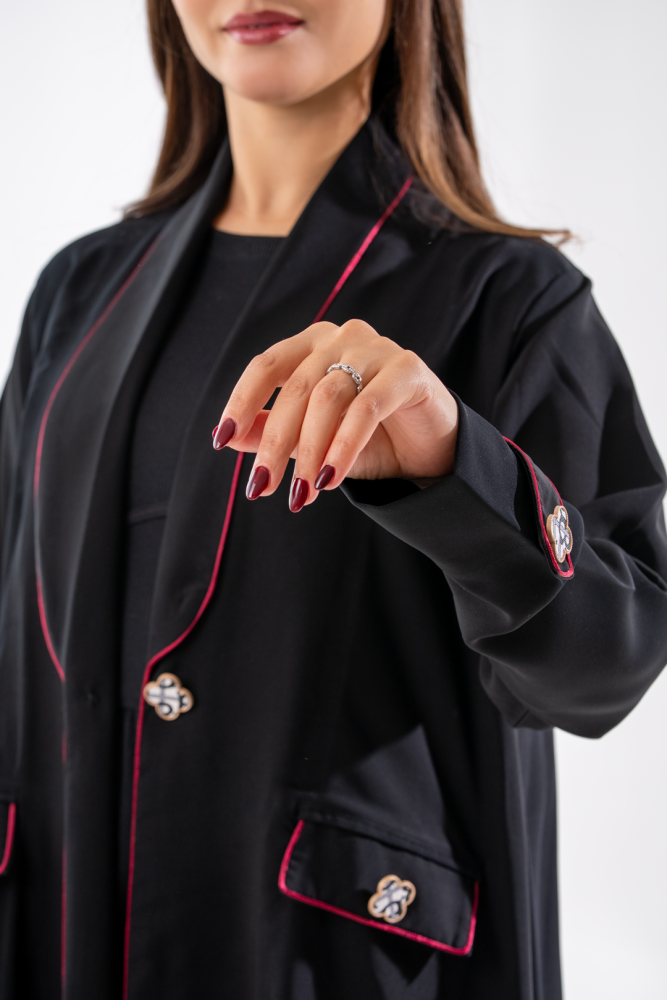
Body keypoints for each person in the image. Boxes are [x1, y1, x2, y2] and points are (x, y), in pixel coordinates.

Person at [0, 0, 665, 997]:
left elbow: (605, 666)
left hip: (347, 962)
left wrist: (453, 468)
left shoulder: (511, 298)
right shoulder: (77, 293)